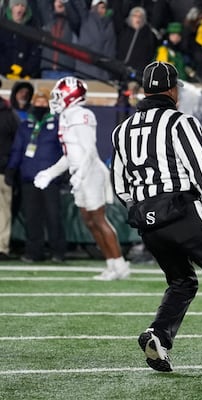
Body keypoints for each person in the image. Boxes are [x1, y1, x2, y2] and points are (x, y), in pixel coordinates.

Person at [111, 61, 202, 375]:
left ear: (144, 90)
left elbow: (120, 185)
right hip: (181, 210)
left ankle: (159, 334)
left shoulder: (122, 129)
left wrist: (145, 210)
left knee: (182, 281)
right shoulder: (180, 122)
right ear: (173, 90)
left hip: (147, 221)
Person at [33, 76, 130, 280]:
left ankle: (120, 265)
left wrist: (81, 175)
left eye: (60, 95)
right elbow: (71, 155)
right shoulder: (67, 116)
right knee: (89, 221)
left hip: (90, 172)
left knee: (98, 219)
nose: (56, 100)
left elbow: (90, 151)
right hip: (80, 173)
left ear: (71, 96)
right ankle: (111, 264)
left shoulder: (81, 115)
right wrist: (50, 173)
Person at [4, 88, 66, 262]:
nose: (40, 105)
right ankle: (34, 252)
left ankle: (58, 251)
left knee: (53, 216)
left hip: (50, 178)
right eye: (38, 102)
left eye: (44, 102)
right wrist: (11, 169)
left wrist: (64, 172)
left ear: (49, 104)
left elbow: (64, 150)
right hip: (29, 178)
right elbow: (17, 149)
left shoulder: (57, 124)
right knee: (32, 218)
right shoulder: (25, 125)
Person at [0, 81, 21, 260]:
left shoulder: (9, 114)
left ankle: (2, 247)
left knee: (3, 211)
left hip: (2, 170)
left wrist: (11, 169)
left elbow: (18, 144)